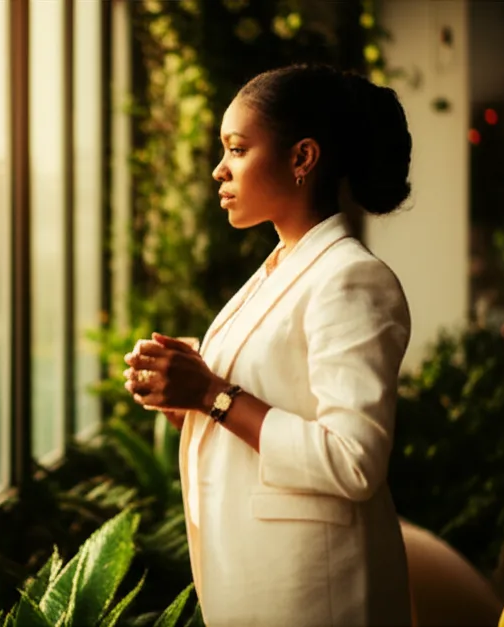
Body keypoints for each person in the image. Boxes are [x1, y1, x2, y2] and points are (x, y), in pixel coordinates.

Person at [123, 64, 415, 626]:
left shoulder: (350, 279)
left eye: (236, 149)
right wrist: (185, 395)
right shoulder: (277, 271)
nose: (218, 170)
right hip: (256, 579)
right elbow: (250, 413)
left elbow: (354, 462)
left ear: (302, 158)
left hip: (317, 597)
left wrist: (211, 394)